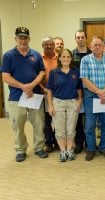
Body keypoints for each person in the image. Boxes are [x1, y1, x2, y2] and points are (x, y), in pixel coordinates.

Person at [1, 26, 48, 162]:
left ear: (29, 39)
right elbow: (5, 77)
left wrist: (31, 85)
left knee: (39, 123)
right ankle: (20, 149)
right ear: (15, 38)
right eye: (20, 37)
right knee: (18, 124)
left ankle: (39, 148)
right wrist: (23, 86)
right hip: (16, 97)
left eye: (25, 37)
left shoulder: (36, 55)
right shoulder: (8, 56)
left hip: (35, 95)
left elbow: (42, 73)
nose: (22, 40)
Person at [80, 36, 105, 161]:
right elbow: (84, 79)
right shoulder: (85, 60)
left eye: (100, 44)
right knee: (90, 125)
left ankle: (104, 147)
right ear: (90, 46)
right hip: (91, 96)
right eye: (95, 45)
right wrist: (98, 91)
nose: (97, 47)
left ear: (103, 46)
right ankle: (91, 149)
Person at [47, 49, 83, 162]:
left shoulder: (75, 72)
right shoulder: (54, 72)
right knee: (60, 130)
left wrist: (80, 100)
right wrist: (50, 105)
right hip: (58, 103)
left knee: (71, 129)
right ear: (60, 58)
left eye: (68, 57)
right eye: (63, 57)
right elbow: (49, 90)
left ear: (71, 58)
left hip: (72, 102)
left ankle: (69, 150)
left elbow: (79, 88)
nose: (66, 59)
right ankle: (63, 151)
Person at [72, 30, 92, 154]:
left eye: (82, 37)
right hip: (76, 90)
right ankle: (79, 143)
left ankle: (90, 143)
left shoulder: (91, 53)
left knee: (90, 118)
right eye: (78, 37)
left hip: (90, 89)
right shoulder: (71, 54)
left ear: (86, 38)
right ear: (75, 39)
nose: (80, 39)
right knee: (78, 118)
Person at [39, 36, 59, 153]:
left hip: (57, 94)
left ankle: (57, 141)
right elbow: (36, 76)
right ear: (43, 46)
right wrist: (44, 89)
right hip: (43, 93)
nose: (49, 46)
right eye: (46, 44)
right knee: (46, 120)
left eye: (51, 44)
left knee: (57, 118)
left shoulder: (59, 58)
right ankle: (48, 142)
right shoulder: (38, 58)